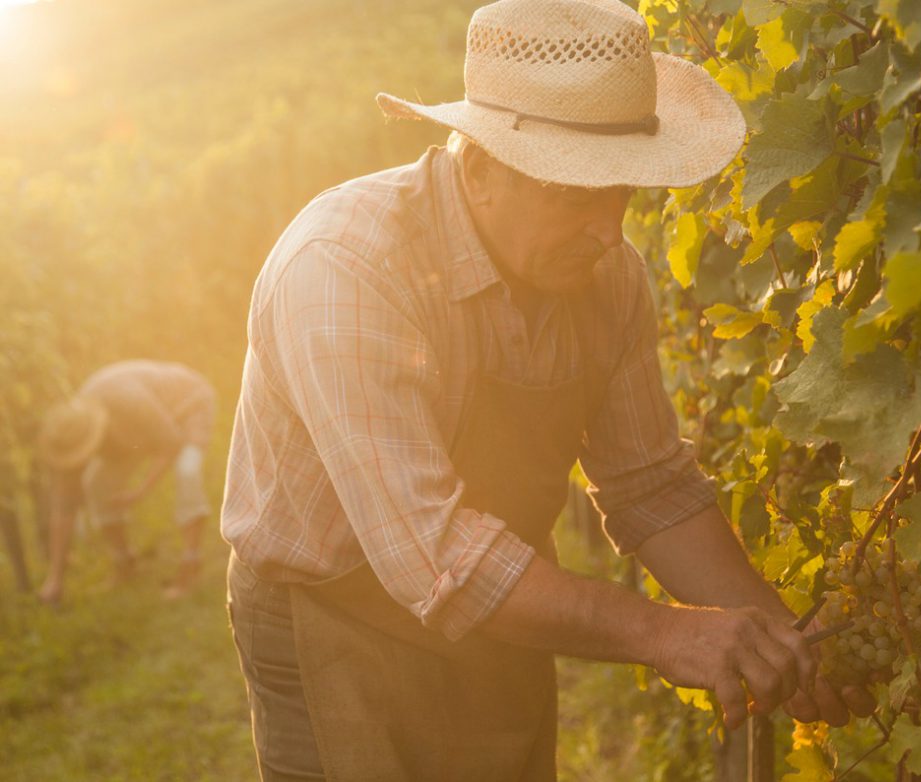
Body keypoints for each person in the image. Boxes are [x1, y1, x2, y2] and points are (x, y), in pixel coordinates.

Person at [222, 0, 874, 779]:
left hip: (505, 605)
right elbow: (436, 557)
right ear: (480, 172)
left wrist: (779, 636)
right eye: (576, 195)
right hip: (333, 616)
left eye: (623, 193)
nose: (608, 232)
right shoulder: (345, 270)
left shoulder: (608, 278)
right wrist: (664, 633)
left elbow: (650, 486)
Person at [36, 359, 216, 604]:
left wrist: (139, 491)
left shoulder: (128, 401)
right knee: (95, 483)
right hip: (137, 431)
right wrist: (54, 578)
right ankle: (124, 562)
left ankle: (191, 563)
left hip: (188, 404)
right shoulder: (72, 431)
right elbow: (64, 508)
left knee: (187, 470)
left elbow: (171, 443)